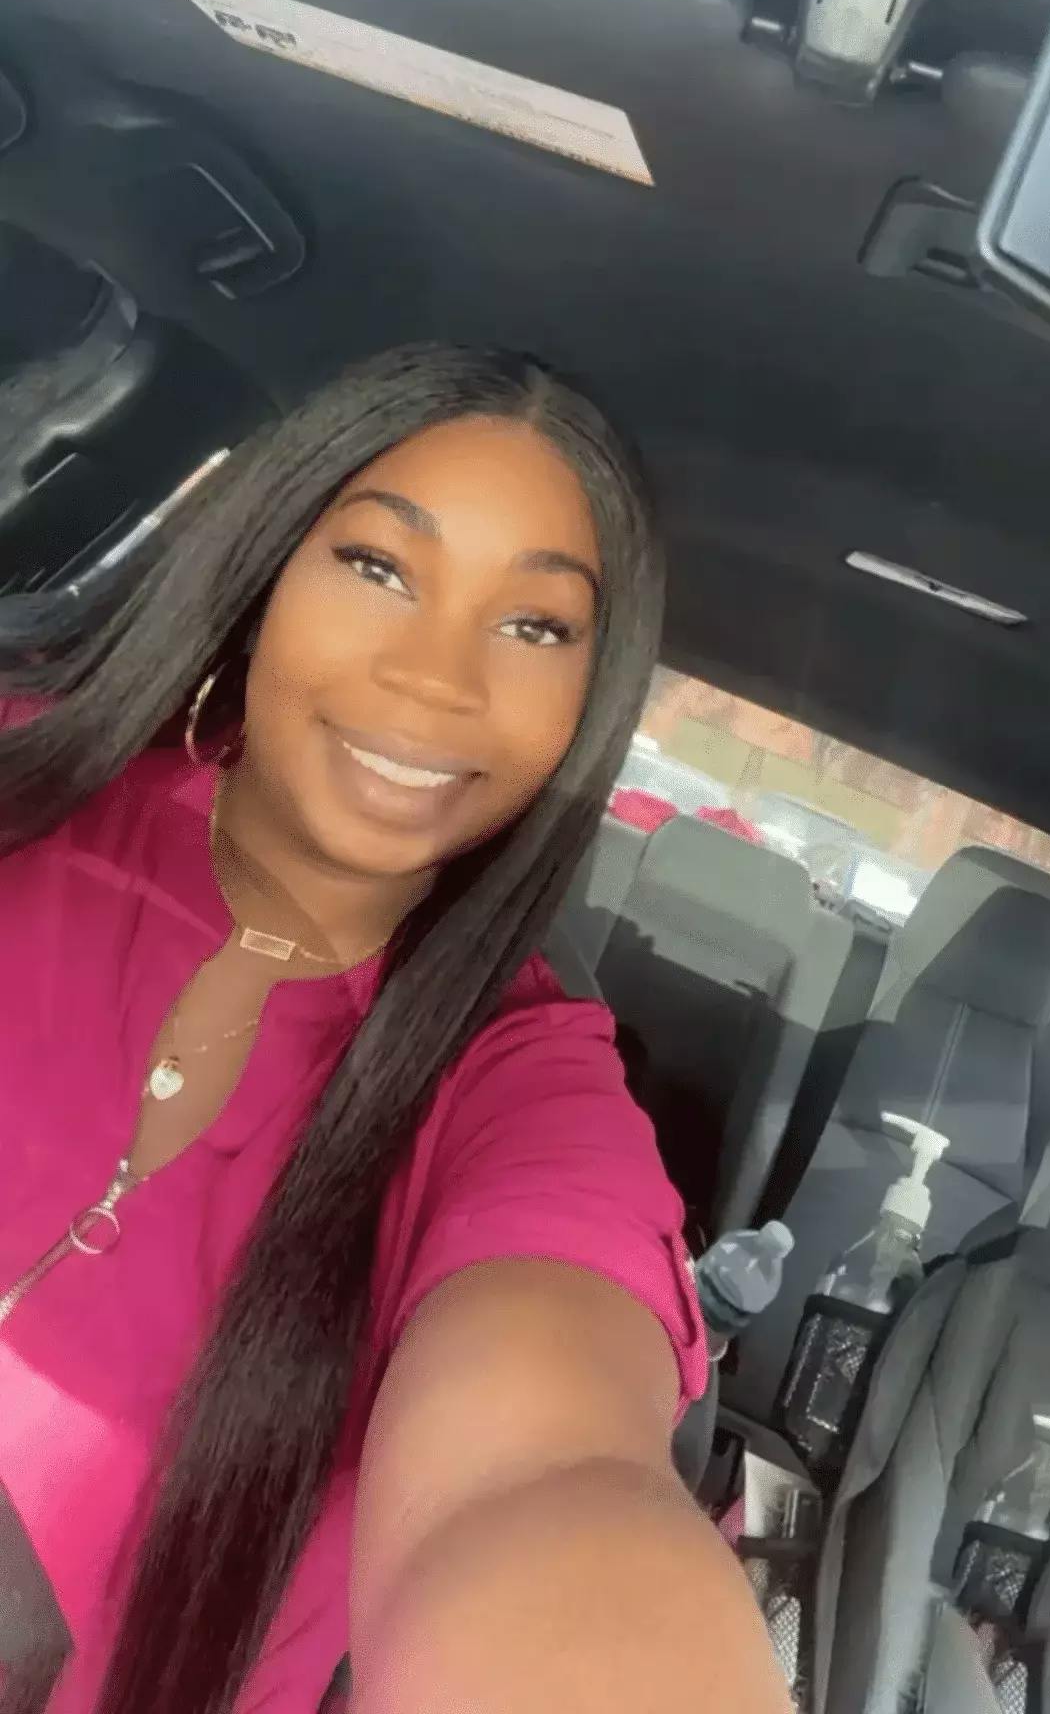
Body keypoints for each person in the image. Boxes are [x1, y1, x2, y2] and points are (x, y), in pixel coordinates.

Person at [0, 344, 787, 1714]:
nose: (436, 679)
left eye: (535, 626)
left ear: (590, 700)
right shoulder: (24, 791)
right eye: (376, 565)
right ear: (264, 567)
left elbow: (548, 1478)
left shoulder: (525, 1094)